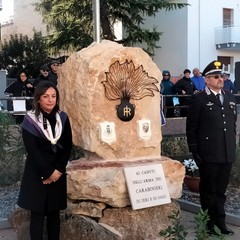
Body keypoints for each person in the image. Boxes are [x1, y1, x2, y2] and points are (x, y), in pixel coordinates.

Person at [186, 60, 237, 236]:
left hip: (226, 152)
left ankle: (221, 223)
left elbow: (232, 124)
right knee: (208, 191)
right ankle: (209, 223)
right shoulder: (199, 99)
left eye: (221, 76)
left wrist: (232, 145)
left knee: (221, 191)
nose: (220, 79)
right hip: (208, 152)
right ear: (207, 80)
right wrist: (194, 150)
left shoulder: (229, 97)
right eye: (216, 76)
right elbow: (191, 126)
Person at [17, 81, 72, 240]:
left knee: (54, 214)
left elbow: (67, 145)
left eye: (53, 96)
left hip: (58, 172)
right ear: (38, 99)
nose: (50, 100)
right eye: (46, 96)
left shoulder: (62, 118)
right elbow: (32, 150)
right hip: (37, 172)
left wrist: (58, 171)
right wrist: (47, 173)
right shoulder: (30, 120)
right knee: (37, 214)